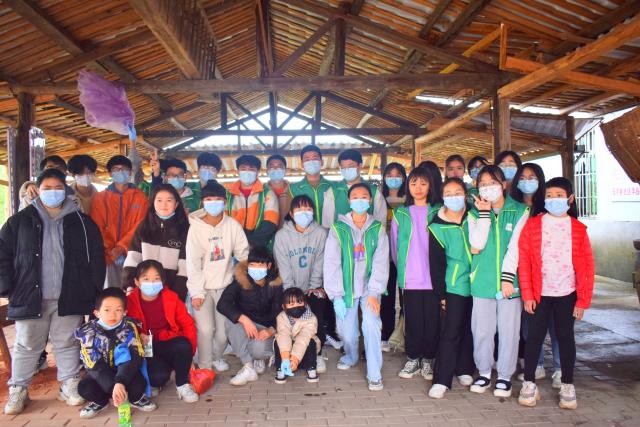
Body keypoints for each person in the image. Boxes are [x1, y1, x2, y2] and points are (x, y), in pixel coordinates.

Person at [1, 168, 105, 415]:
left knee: (68, 342)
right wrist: (6, 286)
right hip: (30, 295)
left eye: (58, 188)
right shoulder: (20, 221)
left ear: (65, 190)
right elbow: (2, 254)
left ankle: (69, 384)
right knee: (27, 344)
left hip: (70, 295)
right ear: (38, 191)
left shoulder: (82, 222)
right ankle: (19, 389)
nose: (53, 192)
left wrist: (93, 292)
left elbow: (96, 259)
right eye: (47, 188)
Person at [518, 177, 594, 410]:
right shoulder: (533, 225)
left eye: (559, 196)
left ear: (570, 199)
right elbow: (524, 262)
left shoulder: (578, 229)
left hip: (567, 293)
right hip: (539, 294)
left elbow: (587, 267)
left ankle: (568, 385)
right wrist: (527, 294)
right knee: (534, 338)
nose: (553, 200)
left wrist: (583, 300)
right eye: (549, 196)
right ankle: (529, 383)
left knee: (565, 337)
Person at [467, 165, 529, 398]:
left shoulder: (520, 211)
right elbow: (477, 245)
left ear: (503, 184)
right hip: (482, 281)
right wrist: (484, 214)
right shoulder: (473, 213)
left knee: (509, 331)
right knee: (482, 330)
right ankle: (484, 372)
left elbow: (516, 248)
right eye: (482, 184)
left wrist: (507, 278)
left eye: (492, 183)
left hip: (510, 284)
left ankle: (504, 376)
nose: (488, 188)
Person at [323, 183, 389, 391]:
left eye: (364, 197)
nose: (360, 200)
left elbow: (381, 262)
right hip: (346, 288)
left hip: (370, 288)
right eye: (355, 197)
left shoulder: (378, 228)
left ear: (370, 201)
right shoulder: (338, 229)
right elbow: (332, 263)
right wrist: (336, 295)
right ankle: (351, 356)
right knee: (347, 333)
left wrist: (375, 292)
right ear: (349, 201)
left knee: (371, 325)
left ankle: (374, 373)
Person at [186, 180, 249, 372]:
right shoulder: (195, 228)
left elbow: (243, 255)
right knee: (205, 329)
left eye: (218, 199)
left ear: (225, 202)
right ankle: (205, 367)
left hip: (225, 287)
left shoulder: (232, 225)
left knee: (222, 333)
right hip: (203, 288)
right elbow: (193, 263)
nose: (213, 203)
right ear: (202, 202)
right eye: (209, 199)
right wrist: (196, 293)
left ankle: (216, 356)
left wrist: (245, 280)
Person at [390, 167, 444, 383]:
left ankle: (428, 359)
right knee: (412, 321)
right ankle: (413, 358)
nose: (418, 188)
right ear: (408, 187)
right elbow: (395, 247)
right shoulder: (401, 214)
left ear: (430, 186)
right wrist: (404, 269)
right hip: (410, 279)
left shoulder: (439, 211)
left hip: (433, 279)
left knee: (432, 321)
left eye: (423, 183)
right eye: (413, 183)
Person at [511, 163, 561, 384]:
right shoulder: (513, 208)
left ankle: (560, 368)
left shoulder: (548, 207)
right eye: (523, 177)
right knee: (529, 326)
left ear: (540, 180)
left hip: (552, 275)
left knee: (557, 326)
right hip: (524, 274)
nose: (527, 181)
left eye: (532, 177)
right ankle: (537, 365)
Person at [75, 288, 156, 418]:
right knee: (85, 388)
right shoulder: (87, 332)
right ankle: (101, 402)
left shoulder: (129, 327)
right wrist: (114, 387)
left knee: (139, 384)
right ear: (97, 313)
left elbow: (136, 356)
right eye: (107, 310)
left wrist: (120, 382)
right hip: (101, 374)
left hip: (124, 373)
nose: (112, 315)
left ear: (125, 312)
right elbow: (93, 364)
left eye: (118, 310)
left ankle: (135, 399)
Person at [428, 178, 475, 399]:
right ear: (442, 197)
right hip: (455, 284)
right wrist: (441, 294)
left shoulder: (476, 215)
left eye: (458, 192)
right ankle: (442, 379)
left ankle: (465, 368)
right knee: (451, 331)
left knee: (471, 328)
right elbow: (436, 264)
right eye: (448, 193)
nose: (454, 197)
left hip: (480, 281)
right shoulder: (437, 226)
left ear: (465, 194)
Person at [126, 260, 199, 403]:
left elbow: (188, 324)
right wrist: (137, 336)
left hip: (167, 342)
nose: (152, 283)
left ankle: (182, 384)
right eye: (146, 279)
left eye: (156, 278)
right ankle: (161, 375)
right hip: (146, 348)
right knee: (158, 378)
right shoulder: (129, 302)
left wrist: (189, 355)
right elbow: (121, 328)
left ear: (162, 281)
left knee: (183, 344)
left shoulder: (171, 297)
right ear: (137, 282)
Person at [273, 195, 328, 372]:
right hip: (290, 288)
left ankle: (318, 354)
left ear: (313, 212)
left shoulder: (321, 233)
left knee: (316, 317)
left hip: (312, 287)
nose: (304, 213)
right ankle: (287, 353)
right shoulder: (282, 236)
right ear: (291, 213)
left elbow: (320, 262)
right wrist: (293, 294)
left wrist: (313, 287)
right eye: (299, 209)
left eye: (308, 209)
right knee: (288, 321)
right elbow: (283, 265)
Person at [217, 246, 283, 386]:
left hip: (265, 329)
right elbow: (222, 304)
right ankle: (248, 367)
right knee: (230, 320)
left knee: (258, 349)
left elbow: (280, 313)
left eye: (260, 265)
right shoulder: (241, 280)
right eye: (252, 265)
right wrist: (244, 319)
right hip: (246, 329)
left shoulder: (275, 284)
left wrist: (271, 330)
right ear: (248, 265)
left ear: (268, 266)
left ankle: (258, 358)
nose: (256, 268)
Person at [122, 184, 189, 301]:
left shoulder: (184, 230)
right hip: (144, 290)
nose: (164, 205)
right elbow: (133, 258)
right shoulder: (143, 227)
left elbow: (185, 267)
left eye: (169, 200)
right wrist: (129, 286)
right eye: (159, 200)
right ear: (153, 203)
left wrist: (177, 295)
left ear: (176, 204)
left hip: (172, 293)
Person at [91, 155, 149, 287]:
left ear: (130, 172)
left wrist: (122, 247)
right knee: (110, 291)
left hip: (133, 253)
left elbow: (140, 225)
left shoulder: (140, 197)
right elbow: (97, 226)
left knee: (131, 291)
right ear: (110, 173)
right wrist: (111, 250)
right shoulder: (100, 198)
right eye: (116, 169)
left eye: (124, 169)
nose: (120, 171)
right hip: (108, 255)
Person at [321, 149, 386, 228]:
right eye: (343, 167)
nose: (346, 170)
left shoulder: (374, 191)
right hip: (340, 235)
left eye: (350, 166)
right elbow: (327, 223)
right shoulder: (333, 191)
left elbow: (381, 222)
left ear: (360, 165)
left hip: (368, 235)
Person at [380, 162, 407, 352]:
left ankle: (403, 334)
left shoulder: (409, 200)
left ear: (404, 178)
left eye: (398, 175)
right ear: (384, 178)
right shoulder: (379, 199)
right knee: (387, 298)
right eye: (390, 175)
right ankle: (386, 335)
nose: (394, 178)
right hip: (385, 258)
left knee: (406, 299)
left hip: (405, 257)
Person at [227, 154, 279, 248]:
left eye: (251, 169)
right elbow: (224, 221)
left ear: (257, 172)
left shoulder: (267, 193)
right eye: (243, 169)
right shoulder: (228, 195)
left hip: (258, 247)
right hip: (233, 245)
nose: (247, 172)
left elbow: (271, 222)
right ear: (238, 171)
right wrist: (236, 243)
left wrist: (252, 244)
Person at [274, 287, 320, 384]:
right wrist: (285, 359)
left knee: (311, 342)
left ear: (305, 303)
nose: (296, 306)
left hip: (303, 353)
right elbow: (283, 335)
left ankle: (311, 368)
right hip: (287, 354)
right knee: (278, 340)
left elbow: (303, 338)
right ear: (283, 306)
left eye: (299, 302)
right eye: (291, 304)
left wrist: (294, 359)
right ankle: (281, 368)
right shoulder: (281, 317)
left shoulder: (311, 318)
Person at [289, 145, 333, 225]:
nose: (311, 162)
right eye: (307, 159)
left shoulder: (333, 186)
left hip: (331, 232)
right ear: (302, 164)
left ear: (322, 162)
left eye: (315, 158)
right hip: (306, 232)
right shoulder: (292, 189)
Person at [265, 154, 291, 228]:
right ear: (267, 171)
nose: (276, 169)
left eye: (280, 166)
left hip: (288, 233)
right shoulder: (261, 192)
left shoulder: (294, 190)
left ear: (285, 171)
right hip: (267, 234)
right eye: (272, 167)